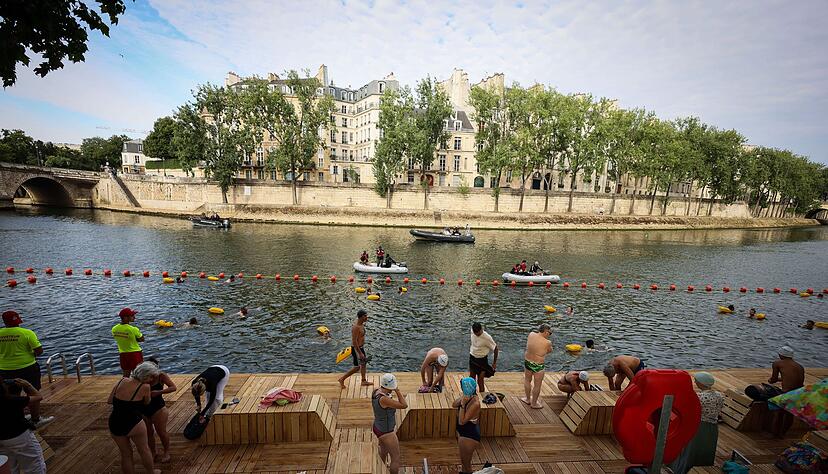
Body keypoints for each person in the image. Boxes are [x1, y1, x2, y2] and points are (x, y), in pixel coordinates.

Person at [0, 310, 53, 428]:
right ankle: (35, 419)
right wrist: (31, 355)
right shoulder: (27, 333)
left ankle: (18, 418)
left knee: (12, 394)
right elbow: (39, 350)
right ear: (18, 320)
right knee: (32, 392)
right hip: (27, 368)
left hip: (4, 370)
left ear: (4, 322)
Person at [108, 362, 161, 474]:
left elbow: (109, 400)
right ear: (146, 376)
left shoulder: (122, 380)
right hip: (133, 422)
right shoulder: (145, 387)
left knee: (126, 454)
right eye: (151, 377)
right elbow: (147, 402)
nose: (152, 380)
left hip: (115, 422)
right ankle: (151, 472)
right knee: (144, 449)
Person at [670, 372, 724, 473]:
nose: (695, 382)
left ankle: (685, 468)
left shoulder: (699, 397)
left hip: (699, 426)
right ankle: (704, 467)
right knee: (706, 447)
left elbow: (689, 410)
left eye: (697, 381)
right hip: (712, 427)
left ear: (701, 383)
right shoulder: (719, 395)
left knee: (691, 449)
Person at [0, 375, 47, 474]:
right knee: (34, 465)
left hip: (2, 439)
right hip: (19, 436)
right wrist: (28, 385)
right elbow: (38, 397)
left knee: (9, 466)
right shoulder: (12, 400)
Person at [142, 357, 177, 464]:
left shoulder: (161, 375)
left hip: (158, 408)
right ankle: (153, 452)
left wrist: (158, 392)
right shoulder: (141, 376)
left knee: (161, 432)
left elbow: (173, 387)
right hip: (143, 408)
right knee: (148, 433)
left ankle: (166, 452)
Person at [372, 374, 407, 473]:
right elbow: (404, 405)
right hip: (387, 432)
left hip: (377, 427)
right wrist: (397, 390)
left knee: (383, 451)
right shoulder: (384, 399)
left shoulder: (375, 391)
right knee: (395, 459)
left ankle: (380, 469)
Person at [453, 377, 481, 474]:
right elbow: (454, 404)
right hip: (463, 433)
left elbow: (462, 421)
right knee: (463, 464)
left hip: (469, 436)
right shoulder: (468, 396)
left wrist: (463, 405)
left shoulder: (475, 403)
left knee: (467, 465)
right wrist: (462, 398)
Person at [338, 310, 372, 389]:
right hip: (356, 349)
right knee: (357, 367)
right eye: (365, 316)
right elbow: (354, 341)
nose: (367, 317)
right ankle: (342, 379)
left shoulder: (361, 325)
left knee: (363, 364)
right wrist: (360, 353)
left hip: (361, 348)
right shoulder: (356, 327)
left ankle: (363, 381)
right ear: (362, 317)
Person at [522, 324, 552, 409]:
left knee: (527, 380)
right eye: (550, 333)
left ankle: (527, 399)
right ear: (546, 332)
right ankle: (534, 403)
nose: (549, 335)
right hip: (538, 365)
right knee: (537, 385)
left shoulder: (531, 334)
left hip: (528, 362)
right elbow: (549, 351)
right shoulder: (547, 342)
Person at [112, 307, 144, 378]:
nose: (134, 317)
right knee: (138, 374)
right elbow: (142, 339)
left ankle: (124, 387)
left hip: (123, 353)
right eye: (132, 316)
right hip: (135, 354)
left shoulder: (114, 329)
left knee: (125, 375)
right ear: (125, 318)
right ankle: (138, 388)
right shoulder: (133, 329)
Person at [469, 322, 498, 393]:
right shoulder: (472, 331)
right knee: (471, 378)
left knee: (480, 380)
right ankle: (472, 395)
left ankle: (482, 395)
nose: (477, 335)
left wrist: (494, 363)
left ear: (481, 329)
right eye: (476, 334)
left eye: (479, 333)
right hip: (472, 357)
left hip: (482, 360)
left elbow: (496, 349)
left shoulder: (487, 337)